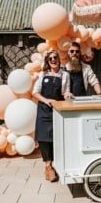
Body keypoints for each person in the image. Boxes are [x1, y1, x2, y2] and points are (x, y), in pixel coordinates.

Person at [32, 50, 70, 182]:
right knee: (43, 139)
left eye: (55, 58)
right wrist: (46, 100)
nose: (53, 60)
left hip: (57, 110)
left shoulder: (64, 75)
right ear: (48, 62)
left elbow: (65, 92)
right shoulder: (42, 74)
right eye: (50, 59)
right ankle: (48, 166)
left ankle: (53, 166)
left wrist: (68, 95)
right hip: (43, 110)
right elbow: (35, 92)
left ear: (59, 60)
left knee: (55, 138)